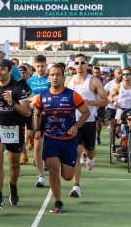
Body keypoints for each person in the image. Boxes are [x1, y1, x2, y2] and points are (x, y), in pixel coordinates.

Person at [33, 64, 90, 214]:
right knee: (52, 170)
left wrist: (76, 126)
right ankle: (58, 202)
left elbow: (86, 112)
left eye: (58, 75)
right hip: (51, 139)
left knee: (67, 175)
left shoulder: (72, 95)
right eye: (52, 75)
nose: (55, 77)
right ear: (48, 77)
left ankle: (68, 178)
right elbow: (37, 114)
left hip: (68, 139)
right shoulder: (42, 96)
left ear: (63, 77)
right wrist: (37, 130)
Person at [0, 58, 31, 210]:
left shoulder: (18, 88)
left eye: (2, 69)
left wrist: (13, 103)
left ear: (10, 71)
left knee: (14, 163)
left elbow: (27, 111)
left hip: (14, 128)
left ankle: (13, 187)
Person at [65, 53, 107, 199]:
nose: (80, 65)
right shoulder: (68, 81)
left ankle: (89, 158)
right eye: (77, 63)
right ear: (73, 65)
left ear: (87, 65)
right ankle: (76, 187)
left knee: (89, 151)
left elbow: (104, 101)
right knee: (76, 153)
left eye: (82, 63)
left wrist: (88, 103)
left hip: (88, 121)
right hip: (73, 122)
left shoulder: (94, 81)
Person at [27, 54, 50, 188]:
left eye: (42, 66)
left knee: (49, 144)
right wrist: (32, 101)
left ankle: (48, 162)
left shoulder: (50, 79)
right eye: (38, 67)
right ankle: (40, 176)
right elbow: (26, 96)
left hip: (51, 115)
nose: (40, 69)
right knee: (37, 145)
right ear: (34, 67)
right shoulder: (30, 80)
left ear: (46, 66)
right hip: (36, 115)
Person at [108, 68, 131, 142]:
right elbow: (110, 96)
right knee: (117, 129)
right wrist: (114, 101)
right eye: (123, 74)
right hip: (121, 109)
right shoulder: (118, 86)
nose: (125, 76)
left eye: (127, 74)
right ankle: (114, 142)